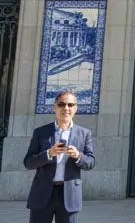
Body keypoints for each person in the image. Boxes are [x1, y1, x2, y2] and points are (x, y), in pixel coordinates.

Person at [23, 90, 95, 223]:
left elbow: (90, 162)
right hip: (42, 193)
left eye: (70, 105)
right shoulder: (41, 132)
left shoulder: (84, 134)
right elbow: (28, 162)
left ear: (76, 108)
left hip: (69, 195)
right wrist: (48, 154)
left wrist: (79, 156)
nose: (66, 108)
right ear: (55, 107)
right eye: (61, 104)